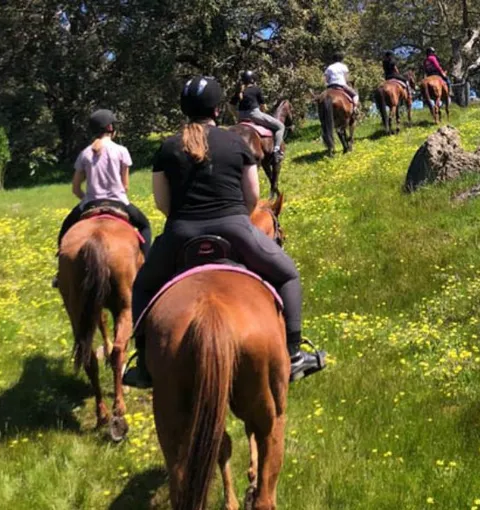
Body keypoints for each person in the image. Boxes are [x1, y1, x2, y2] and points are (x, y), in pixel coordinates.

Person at [122, 75, 326, 388]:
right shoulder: (235, 142)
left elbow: (163, 203)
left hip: (179, 234)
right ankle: (295, 355)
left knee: (143, 285)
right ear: (217, 109)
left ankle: (143, 364)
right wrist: (235, 218)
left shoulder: (167, 147)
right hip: (235, 229)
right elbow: (253, 197)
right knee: (288, 274)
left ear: (184, 109)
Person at [54, 110, 152, 285]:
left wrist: (87, 199)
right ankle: (147, 268)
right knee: (145, 225)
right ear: (111, 128)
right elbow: (125, 186)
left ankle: (60, 274)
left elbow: (76, 188)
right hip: (119, 202)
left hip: (90, 203)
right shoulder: (121, 151)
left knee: (65, 229)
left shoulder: (85, 154)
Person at [230, 70, 286, 163]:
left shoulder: (239, 91)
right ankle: (276, 151)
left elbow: (231, 106)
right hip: (254, 114)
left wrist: (236, 116)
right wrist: (264, 113)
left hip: (241, 116)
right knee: (280, 126)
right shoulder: (256, 89)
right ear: (253, 80)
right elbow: (263, 106)